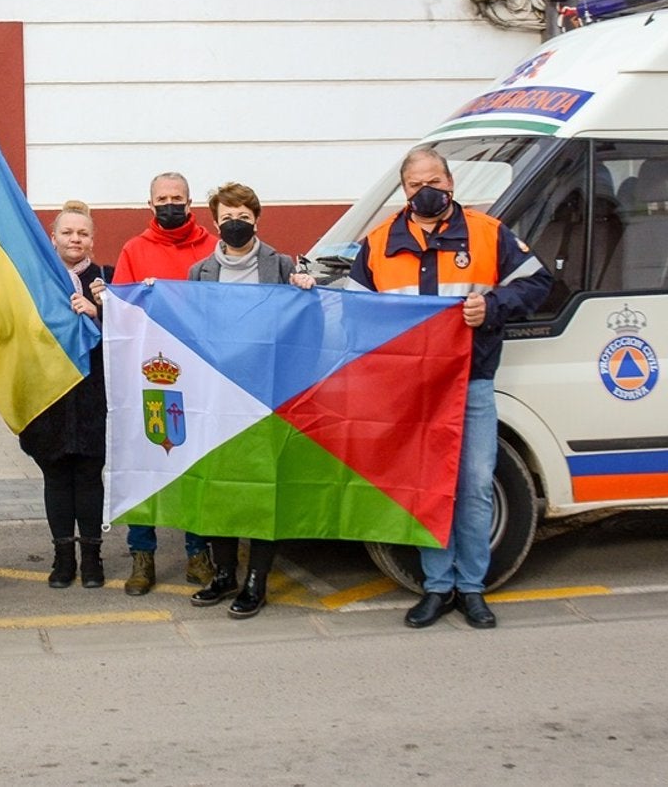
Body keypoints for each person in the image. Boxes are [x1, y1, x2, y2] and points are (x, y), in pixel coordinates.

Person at [344, 146, 552, 631]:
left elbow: (538, 283)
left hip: (471, 382)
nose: (426, 191)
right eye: (415, 185)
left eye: (433, 181)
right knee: (423, 490)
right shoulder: (379, 243)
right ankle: (437, 587)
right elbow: (352, 312)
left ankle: (473, 587)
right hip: (411, 393)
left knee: (476, 486)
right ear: (404, 190)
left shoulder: (488, 233)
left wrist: (494, 305)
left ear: (451, 182)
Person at [184, 183, 316, 618]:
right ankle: (224, 573)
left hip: (267, 396)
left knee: (264, 487)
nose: (234, 223)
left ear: (256, 218)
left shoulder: (280, 266)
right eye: (226, 216)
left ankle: (257, 579)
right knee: (221, 486)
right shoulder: (200, 272)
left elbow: (306, 326)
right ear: (214, 221)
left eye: (242, 215)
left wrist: (306, 291)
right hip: (219, 394)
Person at [111, 171, 218, 595]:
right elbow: (121, 307)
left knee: (197, 462)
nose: (170, 204)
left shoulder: (213, 247)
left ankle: (197, 552)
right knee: (145, 459)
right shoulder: (134, 250)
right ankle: (142, 555)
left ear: (190, 204)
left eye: (177, 198)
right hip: (151, 373)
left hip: (202, 373)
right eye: (162, 198)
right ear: (150, 204)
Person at [20, 201, 109, 589]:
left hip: (92, 393)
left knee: (89, 476)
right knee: (55, 474)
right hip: (49, 392)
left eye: (83, 233)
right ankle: (62, 558)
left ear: (92, 240)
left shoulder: (108, 279)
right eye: (68, 232)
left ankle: (91, 556)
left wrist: (99, 312)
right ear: (52, 237)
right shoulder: (35, 279)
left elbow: (130, 335)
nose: (75, 239)